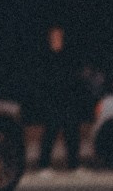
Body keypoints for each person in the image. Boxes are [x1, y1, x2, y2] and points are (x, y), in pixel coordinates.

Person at [27, 26, 96, 171]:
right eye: (55, 37)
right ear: (50, 38)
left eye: (60, 36)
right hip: (52, 101)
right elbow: (41, 80)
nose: (58, 39)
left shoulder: (68, 55)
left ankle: (73, 164)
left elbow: (75, 76)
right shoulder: (45, 57)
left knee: (72, 132)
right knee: (50, 132)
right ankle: (44, 165)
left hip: (68, 99)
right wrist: (44, 99)